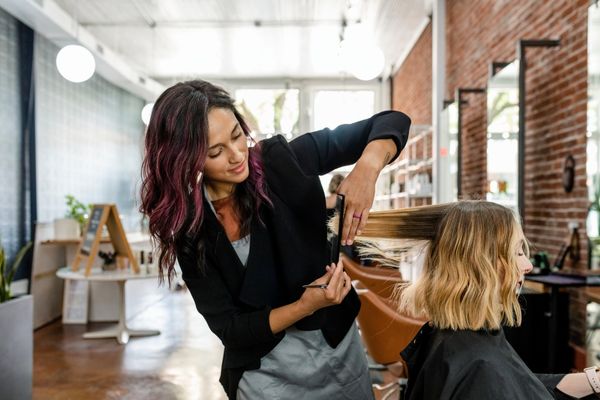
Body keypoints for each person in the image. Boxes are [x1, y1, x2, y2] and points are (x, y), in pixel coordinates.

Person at [139, 79, 411, 399]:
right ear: (186, 162)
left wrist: (367, 168)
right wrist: (304, 306)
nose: (237, 154)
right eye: (216, 151)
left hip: (334, 348)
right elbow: (231, 329)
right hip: (263, 373)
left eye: (237, 135)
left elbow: (392, 122)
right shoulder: (192, 231)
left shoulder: (280, 162)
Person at [355, 200, 600, 400]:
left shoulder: (465, 343)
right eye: (516, 252)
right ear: (480, 264)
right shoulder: (479, 370)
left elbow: (519, 382)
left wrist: (592, 381)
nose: (528, 265)